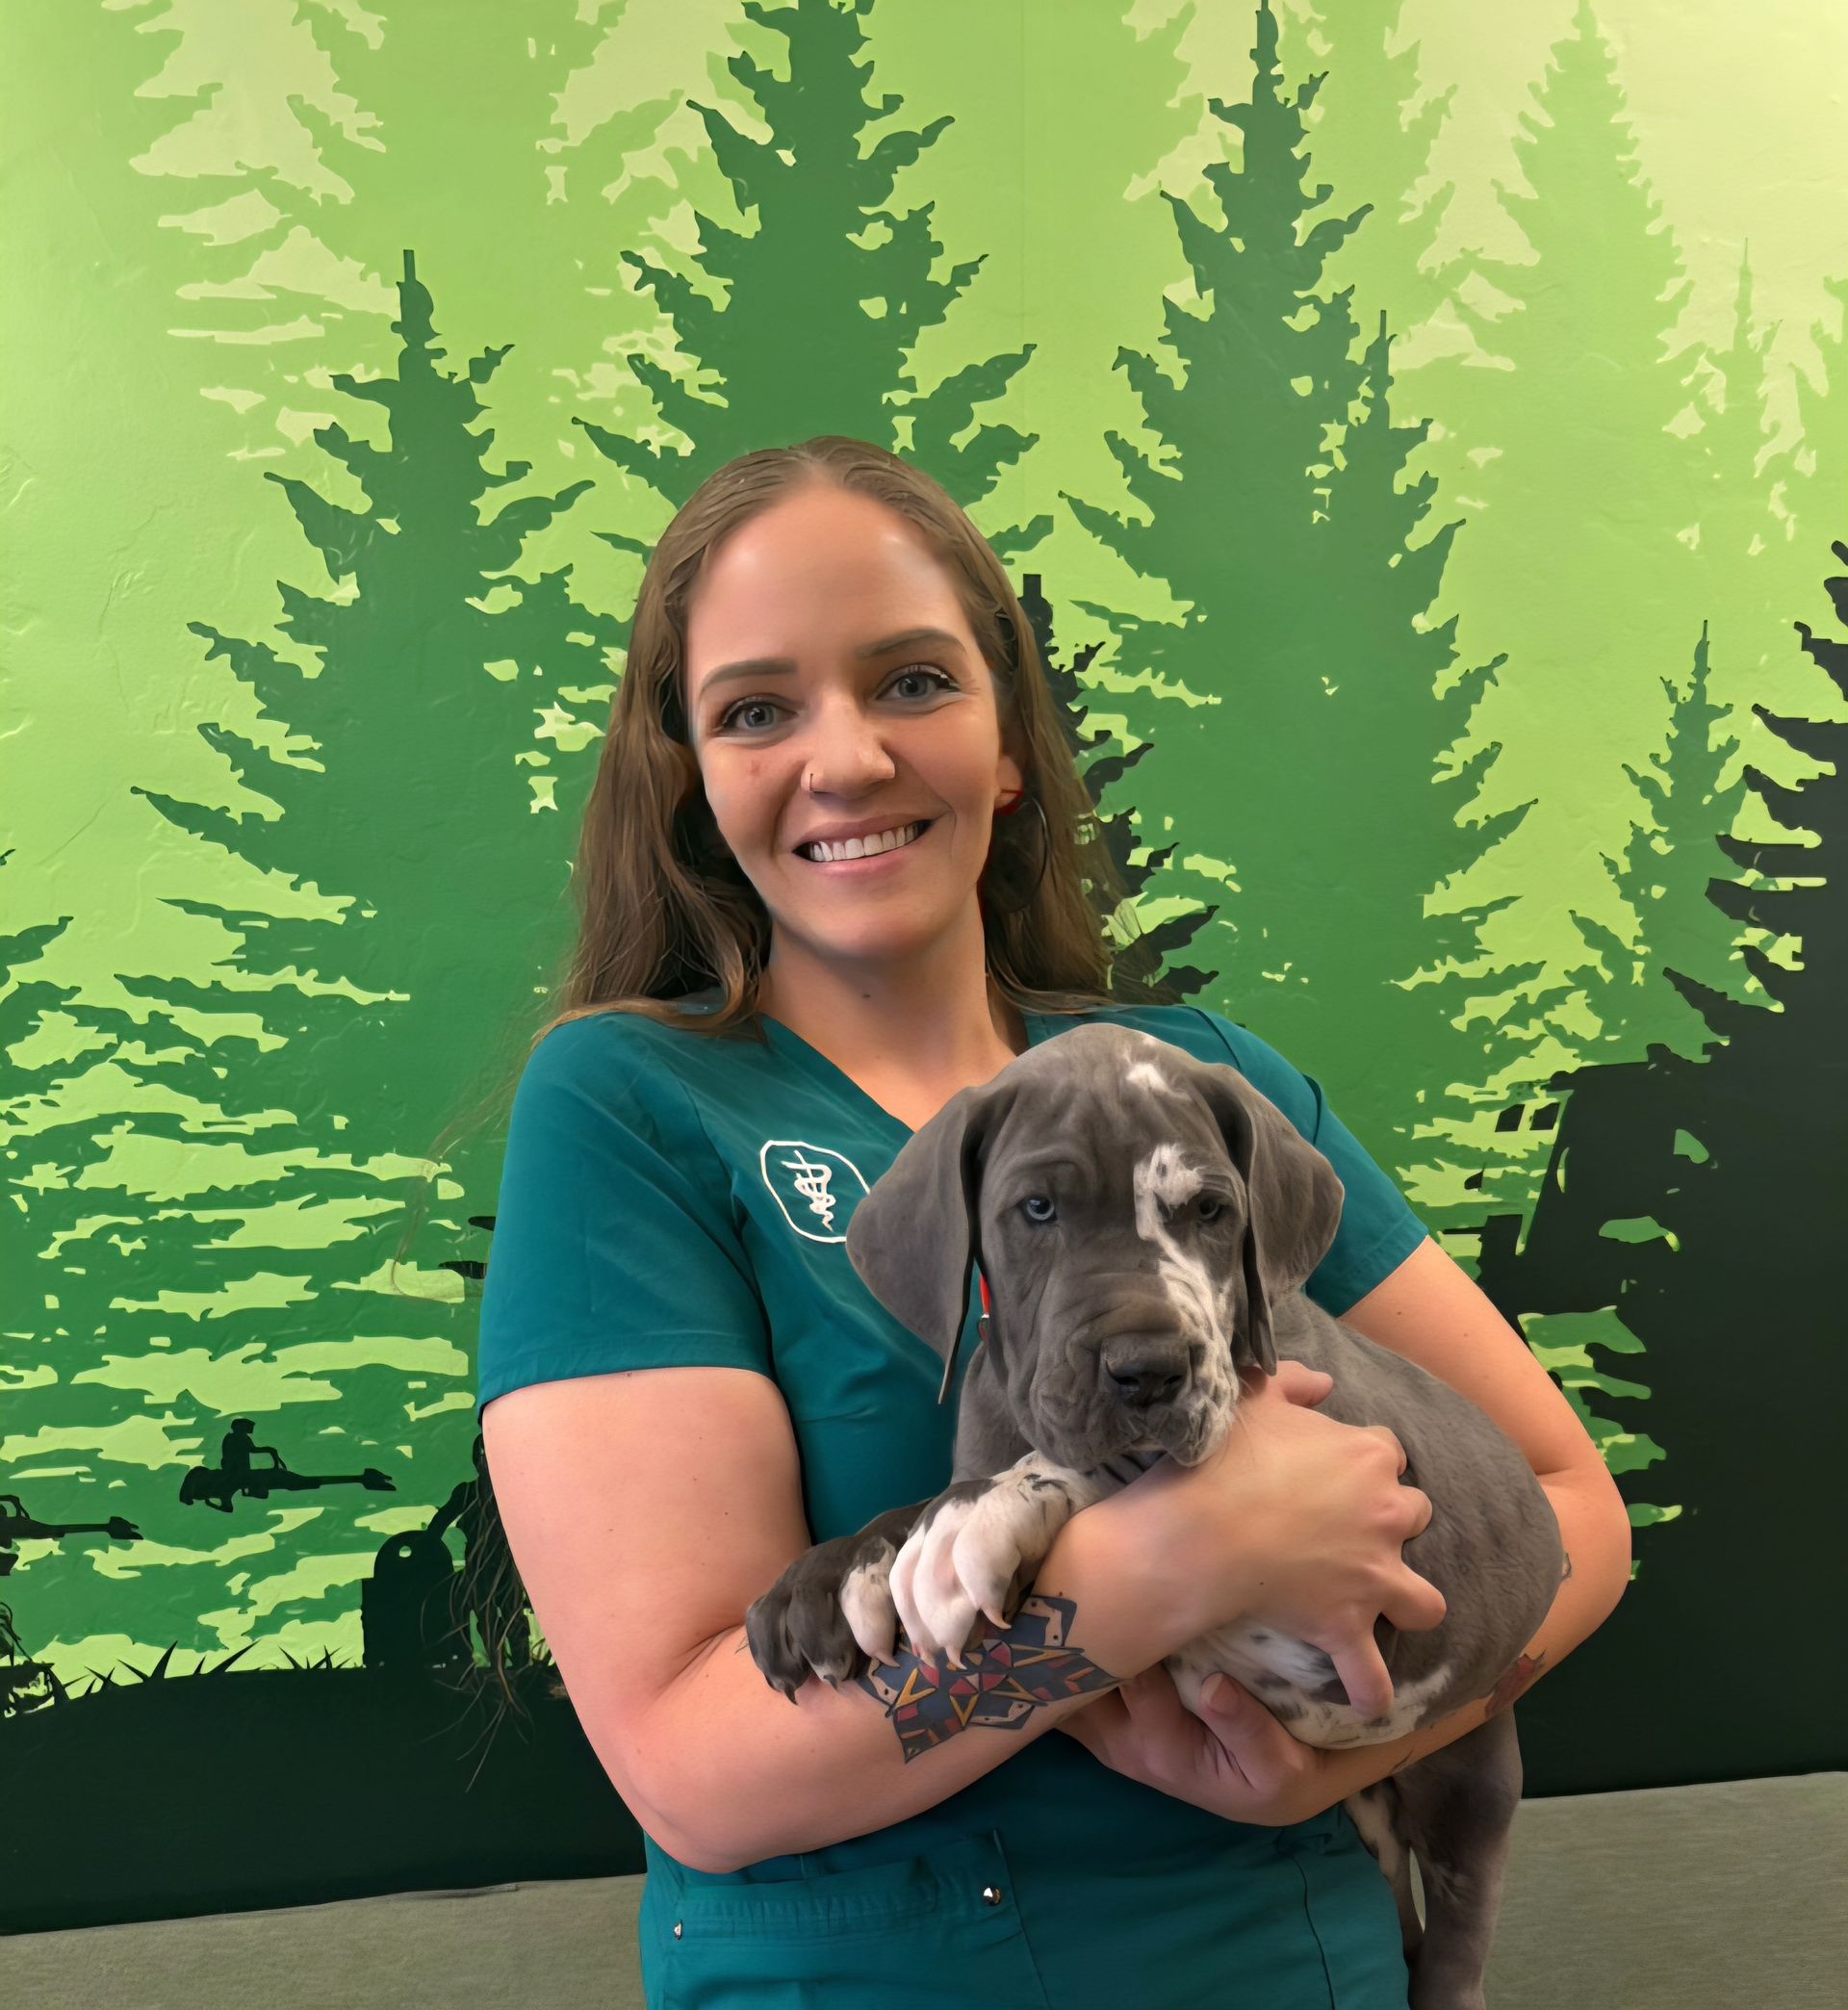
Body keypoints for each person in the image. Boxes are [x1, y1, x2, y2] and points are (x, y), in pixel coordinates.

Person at [475, 437, 1630, 2008]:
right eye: (756, 710)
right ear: (691, 777)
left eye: (911, 682)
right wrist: (1184, 1559)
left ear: (1008, 741)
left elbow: (1574, 1513)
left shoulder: (1205, 1083)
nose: (846, 758)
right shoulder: (634, 1103)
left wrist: (1329, 1761)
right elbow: (696, 1772)